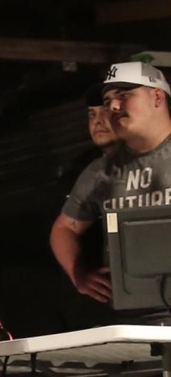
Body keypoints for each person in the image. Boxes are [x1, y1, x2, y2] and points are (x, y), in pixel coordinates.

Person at [52, 62, 171, 308]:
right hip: (132, 314)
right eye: (107, 102)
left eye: (124, 95)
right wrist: (80, 275)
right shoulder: (100, 171)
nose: (113, 107)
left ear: (157, 96)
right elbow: (64, 229)